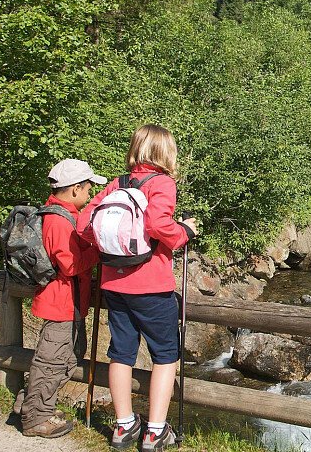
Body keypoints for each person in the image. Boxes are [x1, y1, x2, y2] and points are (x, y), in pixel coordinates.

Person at [78, 124, 197, 451]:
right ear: (165, 152)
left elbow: (83, 224)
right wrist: (183, 233)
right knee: (165, 355)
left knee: (121, 352)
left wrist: (103, 244)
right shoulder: (162, 183)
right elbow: (159, 225)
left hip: (113, 284)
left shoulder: (117, 184)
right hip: (151, 286)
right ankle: (155, 431)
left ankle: (124, 426)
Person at [20, 159, 107, 438]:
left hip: (68, 302)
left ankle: (33, 406)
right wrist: (98, 251)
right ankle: (35, 418)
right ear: (75, 189)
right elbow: (69, 265)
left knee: (68, 356)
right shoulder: (58, 220)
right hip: (61, 303)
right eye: (88, 188)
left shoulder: (64, 216)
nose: (90, 193)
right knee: (52, 361)